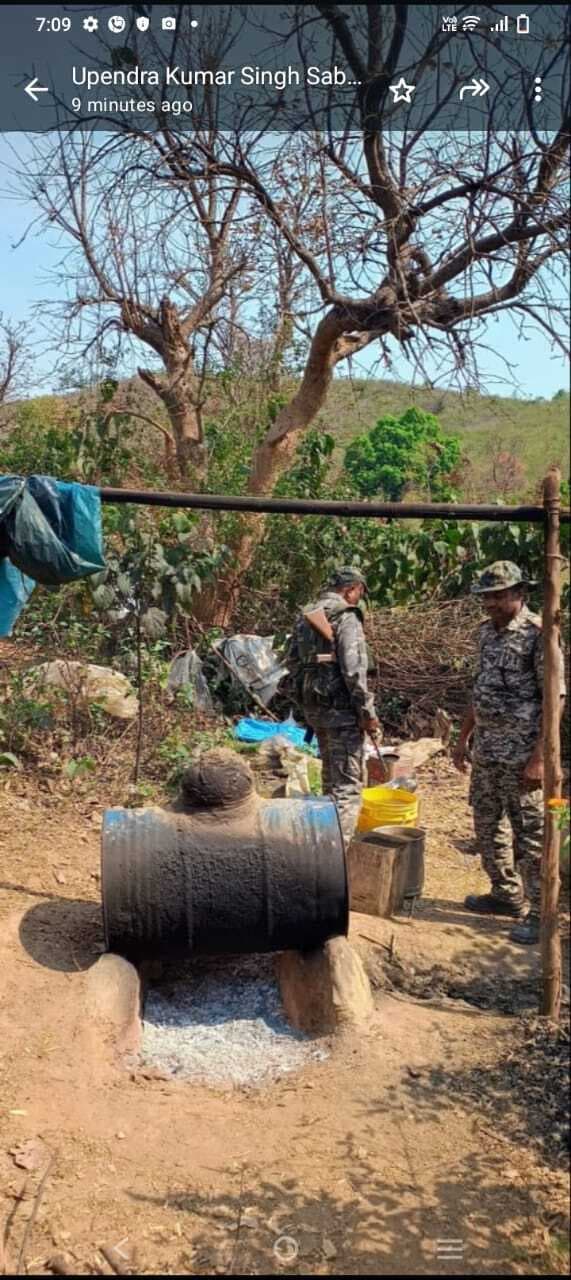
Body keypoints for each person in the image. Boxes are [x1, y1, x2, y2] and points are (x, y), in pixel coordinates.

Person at [453, 560, 566, 945]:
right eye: (486, 597)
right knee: (487, 824)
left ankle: (540, 914)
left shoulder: (539, 635)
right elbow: (480, 688)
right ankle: (505, 894)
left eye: (498, 596)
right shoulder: (486, 633)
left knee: (531, 836)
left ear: (519, 593)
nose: (490, 604)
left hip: (522, 756)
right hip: (487, 751)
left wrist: (540, 758)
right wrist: (463, 738)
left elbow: (555, 698)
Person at [284, 566, 380, 847]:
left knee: (330, 782)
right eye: (359, 593)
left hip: (316, 712)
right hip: (342, 715)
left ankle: (322, 850)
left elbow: (291, 663)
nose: (358, 598)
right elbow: (354, 670)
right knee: (347, 789)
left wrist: (308, 703)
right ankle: (336, 855)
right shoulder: (345, 616)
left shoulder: (306, 616)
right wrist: (367, 714)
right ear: (351, 589)